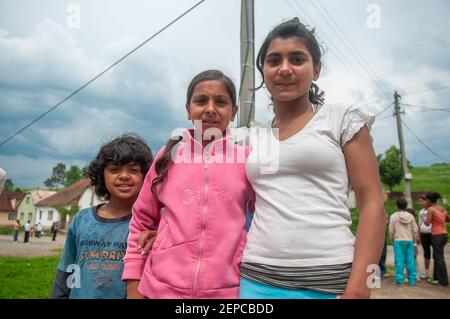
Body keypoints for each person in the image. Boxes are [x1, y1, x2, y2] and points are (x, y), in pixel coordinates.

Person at [237, 17, 386, 299]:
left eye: (297, 59)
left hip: (329, 281)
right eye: (273, 60)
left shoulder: (343, 119)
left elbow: (372, 202)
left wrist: (360, 288)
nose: (284, 69)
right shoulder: (253, 138)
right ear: (263, 71)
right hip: (256, 279)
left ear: (315, 69)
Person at [122, 70, 254, 299]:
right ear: (188, 109)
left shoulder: (247, 160)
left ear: (233, 112)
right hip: (160, 289)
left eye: (221, 102)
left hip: (229, 291)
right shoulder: (168, 156)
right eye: (201, 100)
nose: (210, 108)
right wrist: (134, 282)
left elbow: (264, 218)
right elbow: (142, 221)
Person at [51, 134, 153, 299]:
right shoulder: (82, 220)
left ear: (146, 176)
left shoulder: (150, 225)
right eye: (114, 169)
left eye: (134, 170)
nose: (124, 176)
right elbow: (68, 269)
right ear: (101, 175)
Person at [389, 199, 418, 286]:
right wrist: (414, 239)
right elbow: (415, 229)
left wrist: (392, 239)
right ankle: (412, 280)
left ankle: (400, 280)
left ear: (397, 206)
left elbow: (391, 230)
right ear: (406, 206)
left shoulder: (393, 216)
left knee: (399, 260)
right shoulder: (411, 216)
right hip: (409, 240)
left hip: (398, 240)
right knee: (410, 260)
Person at [423, 192, 449, 286]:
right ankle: (436, 278)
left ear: (429, 200)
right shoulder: (442, 208)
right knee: (437, 256)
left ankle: (444, 280)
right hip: (444, 234)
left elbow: (427, 223)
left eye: (426, 200)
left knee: (439, 258)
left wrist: (423, 218)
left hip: (436, 235)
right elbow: (448, 219)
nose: (425, 201)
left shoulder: (431, 209)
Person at [417, 194, 432, 280]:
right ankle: (426, 272)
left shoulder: (432, 210)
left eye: (422, 201)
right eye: (420, 201)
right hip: (424, 233)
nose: (421, 203)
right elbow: (419, 224)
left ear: (428, 201)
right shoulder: (421, 211)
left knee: (435, 254)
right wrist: (418, 235)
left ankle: (437, 273)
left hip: (432, 233)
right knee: (426, 253)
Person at [406, 208, 421, 282]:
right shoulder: (415, 223)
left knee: (411, 260)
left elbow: (417, 235)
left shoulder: (413, 223)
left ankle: (415, 275)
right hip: (413, 244)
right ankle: (414, 275)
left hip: (411, 243)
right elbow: (418, 237)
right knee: (413, 260)